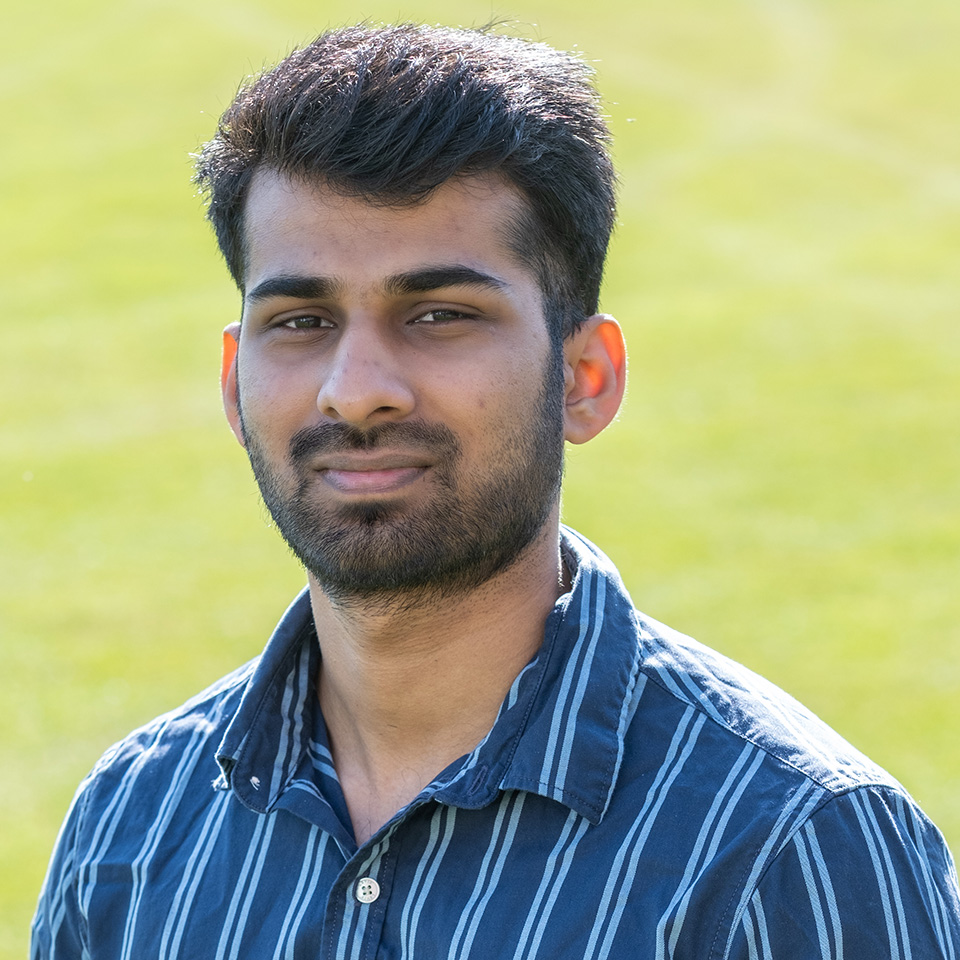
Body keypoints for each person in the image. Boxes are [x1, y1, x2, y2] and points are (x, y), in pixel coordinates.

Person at [32, 22, 959, 960]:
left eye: (439, 314)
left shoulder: (792, 851)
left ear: (584, 377)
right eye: (302, 320)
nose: (356, 388)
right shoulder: (130, 831)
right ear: (235, 384)